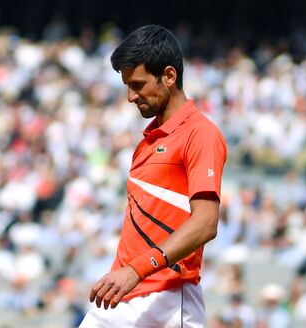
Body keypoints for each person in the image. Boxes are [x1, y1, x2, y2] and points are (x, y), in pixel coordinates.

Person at [80, 25, 228, 327]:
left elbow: (206, 223)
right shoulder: (147, 142)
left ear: (169, 76)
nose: (131, 97)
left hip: (169, 300)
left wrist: (136, 270)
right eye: (127, 87)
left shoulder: (201, 134)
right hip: (122, 298)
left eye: (138, 85)